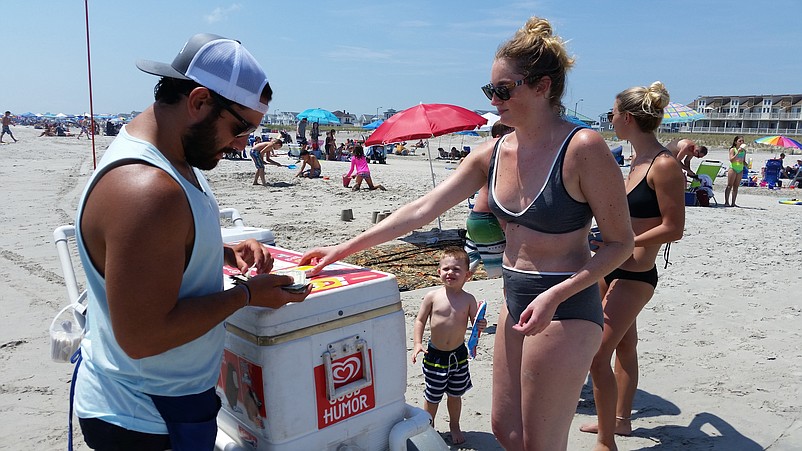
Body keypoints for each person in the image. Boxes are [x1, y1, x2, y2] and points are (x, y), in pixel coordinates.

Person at [300, 16, 634, 451]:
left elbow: (620, 242)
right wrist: (346, 247)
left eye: (503, 89)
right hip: (516, 298)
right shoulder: (492, 152)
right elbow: (422, 209)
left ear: (542, 86)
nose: (494, 100)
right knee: (506, 432)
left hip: (566, 303)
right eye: (489, 90)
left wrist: (557, 295)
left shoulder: (582, 149)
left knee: (540, 443)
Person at [72, 33, 310, 450]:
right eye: (240, 128)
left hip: (162, 404)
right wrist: (247, 295)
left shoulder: (172, 161)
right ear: (199, 101)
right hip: (142, 418)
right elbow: (143, 337)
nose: (243, 144)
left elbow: (155, 252)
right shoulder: (147, 188)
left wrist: (222, 252)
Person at [580, 82, 685, 451]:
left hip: (636, 273)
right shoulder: (633, 160)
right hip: (608, 266)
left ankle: (607, 441)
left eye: (611, 113)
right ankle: (621, 421)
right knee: (625, 346)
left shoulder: (665, 165)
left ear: (626, 118)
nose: (608, 119)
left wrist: (625, 243)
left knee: (596, 354)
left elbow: (674, 228)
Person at [411, 247, 485, 445]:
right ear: (439, 272)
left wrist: (480, 325)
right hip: (435, 356)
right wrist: (418, 343)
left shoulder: (469, 300)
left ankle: (454, 425)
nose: (450, 273)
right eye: (446, 269)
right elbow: (419, 320)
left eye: (456, 269)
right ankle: (429, 427)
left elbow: (475, 325)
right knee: (432, 396)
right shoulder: (432, 297)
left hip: (458, 357)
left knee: (455, 395)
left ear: (467, 275)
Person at [463, 121, 513, 278]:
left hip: (475, 219)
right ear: (499, 137)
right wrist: (506, 229)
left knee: (465, 270)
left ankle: (451, 298)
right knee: (501, 274)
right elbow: (498, 198)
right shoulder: (502, 161)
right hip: (489, 221)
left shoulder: (487, 158)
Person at [725, 135, 747, 207]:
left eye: (742, 141)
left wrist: (746, 164)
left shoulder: (744, 151)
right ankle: (726, 202)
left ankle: (733, 203)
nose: (741, 142)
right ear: (735, 142)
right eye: (740, 141)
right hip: (733, 168)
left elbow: (743, 161)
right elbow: (731, 160)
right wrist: (738, 153)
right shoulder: (733, 149)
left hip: (740, 169)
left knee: (736, 186)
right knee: (729, 185)